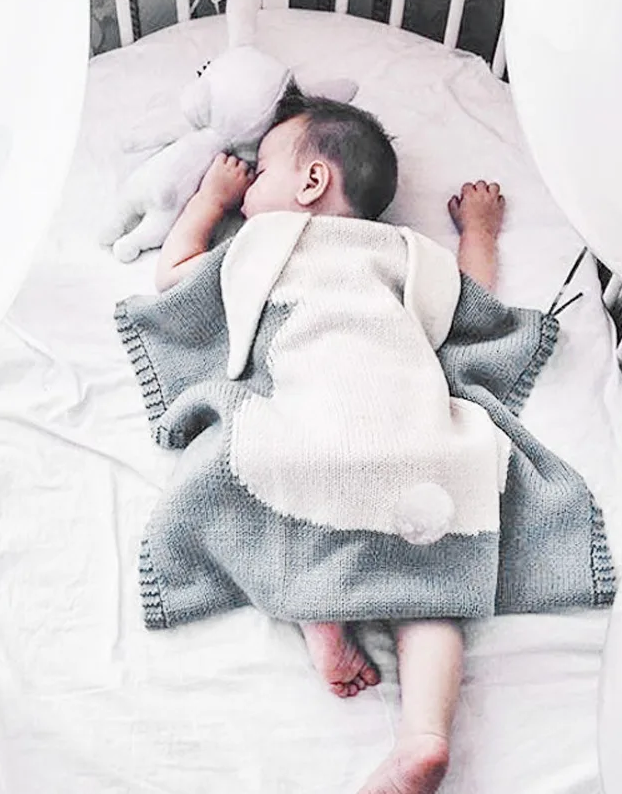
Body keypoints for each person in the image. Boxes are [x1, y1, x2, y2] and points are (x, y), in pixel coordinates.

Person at [154, 94, 507, 794]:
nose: (247, 187)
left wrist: (208, 200)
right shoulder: (405, 251)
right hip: (418, 443)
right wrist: (480, 229)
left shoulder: (262, 244)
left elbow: (172, 277)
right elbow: (473, 301)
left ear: (311, 182)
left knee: (271, 491)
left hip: (312, 431)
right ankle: (424, 738)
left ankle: (321, 615)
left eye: (259, 173)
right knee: (434, 591)